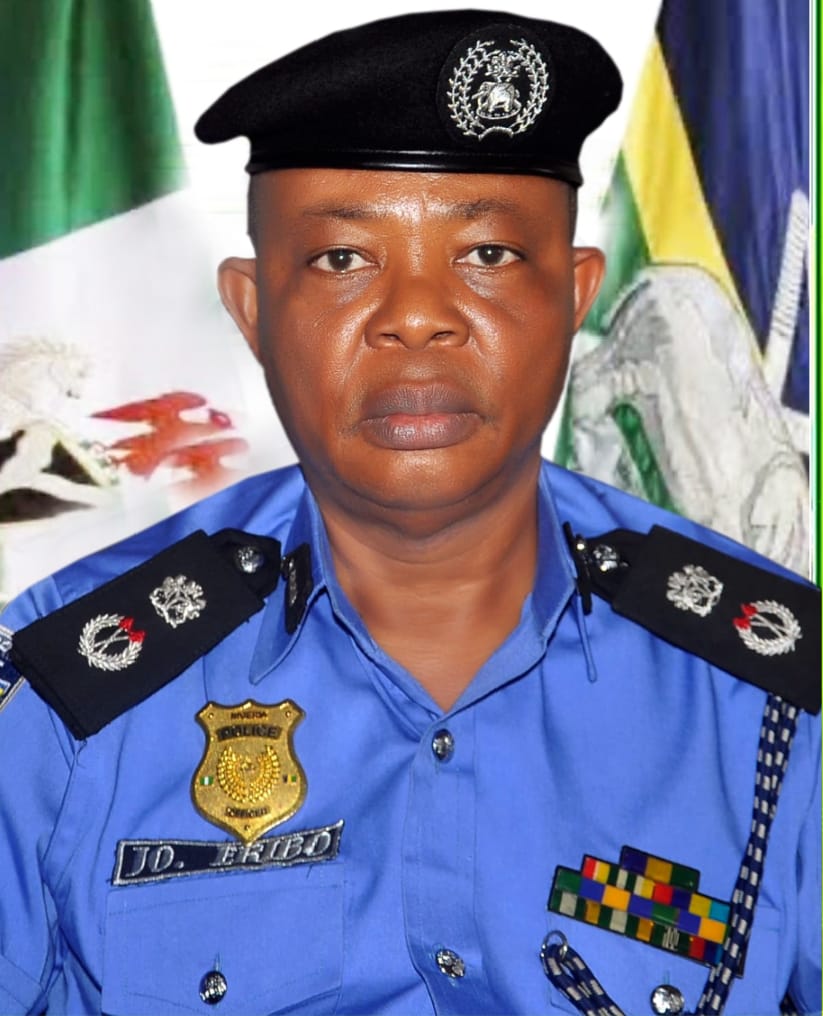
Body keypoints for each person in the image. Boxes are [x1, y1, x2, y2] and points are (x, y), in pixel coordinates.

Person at [0, 10, 819, 1015]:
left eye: (487, 253)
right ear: (253, 310)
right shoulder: (69, 690)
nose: (417, 315)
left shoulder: (770, 693)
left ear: (574, 296)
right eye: (343, 259)